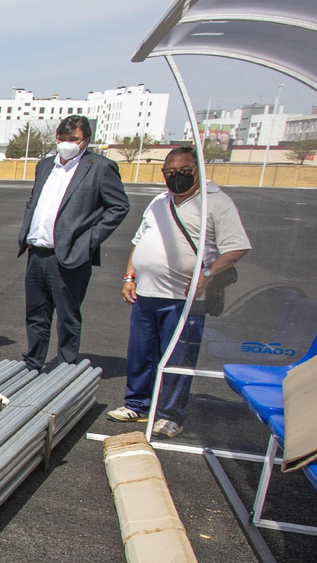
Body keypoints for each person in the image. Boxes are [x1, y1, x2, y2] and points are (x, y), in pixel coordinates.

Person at [108, 146, 252, 437]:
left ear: (198, 171)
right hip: (147, 295)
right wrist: (129, 276)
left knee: (177, 357)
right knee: (141, 354)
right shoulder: (159, 202)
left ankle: (170, 414)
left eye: (184, 172)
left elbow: (236, 247)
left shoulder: (217, 203)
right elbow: (139, 241)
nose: (177, 178)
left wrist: (207, 274)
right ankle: (138, 404)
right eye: (170, 172)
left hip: (184, 300)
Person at [16, 114, 130, 370]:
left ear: (85, 140)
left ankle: (66, 365)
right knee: (36, 313)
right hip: (37, 252)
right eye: (63, 138)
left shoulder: (99, 167)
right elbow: (34, 201)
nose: (67, 143)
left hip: (70, 255)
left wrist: (89, 240)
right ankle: (33, 360)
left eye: (73, 139)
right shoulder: (45, 165)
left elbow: (119, 207)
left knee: (67, 316)